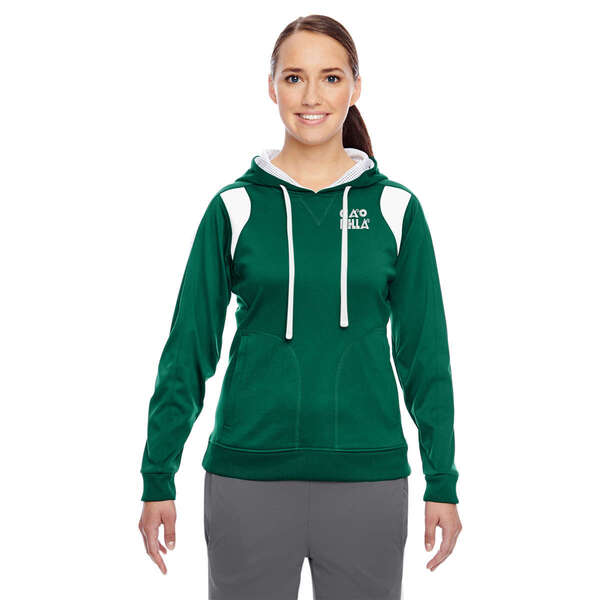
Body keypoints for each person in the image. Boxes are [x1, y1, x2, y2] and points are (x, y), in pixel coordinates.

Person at [138, 13, 462, 598]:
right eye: (294, 78)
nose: (312, 97)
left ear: (356, 87)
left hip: (368, 481)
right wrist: (158, 473)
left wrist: (442, 480)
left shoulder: (395, 210)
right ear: (272, 87)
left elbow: (425, 357)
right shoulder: (235, 208)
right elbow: (188, 348)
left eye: (331, 78)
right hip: (246, 480)